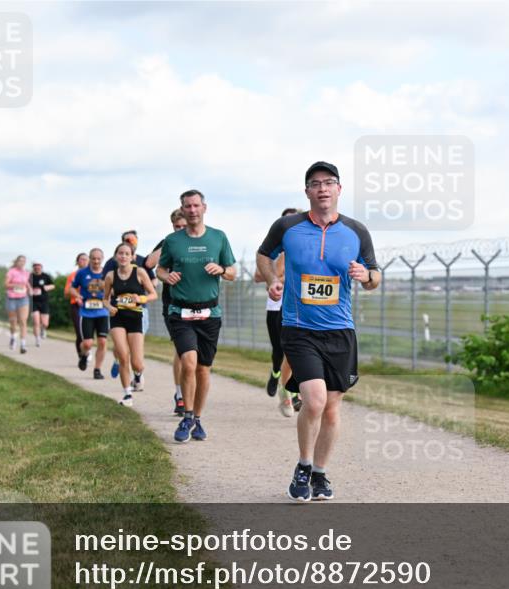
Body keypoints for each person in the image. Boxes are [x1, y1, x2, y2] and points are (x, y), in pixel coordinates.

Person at [257, 161, 381, 502]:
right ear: (307, 191)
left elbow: (375, 277)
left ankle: (321, 474)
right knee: (313, 400)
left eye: (329, 183)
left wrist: (365, 276)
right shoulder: (288, 226)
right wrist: (272, 280)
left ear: (339, 190)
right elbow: (264, 255)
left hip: (340, 330)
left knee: (331, 408)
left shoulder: (356, 231)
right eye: (315, 184)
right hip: (298, 328)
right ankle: (303, 465)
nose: (322, 188)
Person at [157, 189, 237, 442]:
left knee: (203, 369)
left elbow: (233, 272)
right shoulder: (173, 240)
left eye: (195, 206)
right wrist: (165, 277)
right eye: (187, 207)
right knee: (188, 363)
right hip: (180, 311)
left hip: (209, 313)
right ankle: (187, 415)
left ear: (204, 207)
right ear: (182, 210)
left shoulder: (218, 237)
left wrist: (222, 269)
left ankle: (198, 419)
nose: (191, 211)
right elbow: (160, 268)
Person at [255, 207, 301, 417]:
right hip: (275, 307)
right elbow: (258, 276)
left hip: (299, 307)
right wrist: (275, 277)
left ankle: (292, 393)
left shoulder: (303, 247)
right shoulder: (274, 250)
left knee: (293, 351)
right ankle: (276, 375)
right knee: (278, 350)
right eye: (285, 221)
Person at [145, 208, 189, 415]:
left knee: (196, 354)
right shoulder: (169, 243)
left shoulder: (199, 241)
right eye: (176, 227)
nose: (180, 229)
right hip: (172, 303)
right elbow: (149, 263)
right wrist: (169, 242)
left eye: (183, 226)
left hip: (198, 302)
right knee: (181, 350)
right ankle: (180, 395)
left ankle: (190, 394)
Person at [105, 242, 157, 406]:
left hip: (135, 317)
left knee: (137, 363)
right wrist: (109, 307)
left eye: (127, 254)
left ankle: (138, 374)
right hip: (117, 317)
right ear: (116, 256)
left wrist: (140, 299)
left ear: (132, 257)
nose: (123, 256)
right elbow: (104, 299)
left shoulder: (140, 272)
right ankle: (127, 394)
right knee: (122, 354)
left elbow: (153, 294)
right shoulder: (110, 276)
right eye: (120, 253)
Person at [71, 248, 110, 378]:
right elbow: (72, 288)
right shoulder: (82, 273)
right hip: (86, 313)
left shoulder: (107, 273)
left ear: (102, 259)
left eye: (99, 258)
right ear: (90, 259)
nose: (96, 261)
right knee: (87, 343)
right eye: (93, 258)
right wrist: (77, 296)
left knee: (103, 342)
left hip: (102, 312)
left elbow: (113, 289)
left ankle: (97, 370)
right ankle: (84, 355)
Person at [63, 253, 90, 362]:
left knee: (89, 332)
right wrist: (76, 296)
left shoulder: (94, 274)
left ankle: (87, 349)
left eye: (86, 259)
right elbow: (66, 293)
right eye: (81, 259)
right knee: (80, 333)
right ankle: (82, 355)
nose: (84, 261)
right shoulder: (72, 276)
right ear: (77, 261)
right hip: (76, 306)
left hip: (91, 306)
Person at [5, 255, 32, 353]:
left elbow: (26, 283)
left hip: (23, 298)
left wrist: (29, 289)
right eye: (20, 261)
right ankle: (13, 338)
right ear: (16, 262)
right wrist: (15, 285)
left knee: (23, 321)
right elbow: (6, 284)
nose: (22, 262)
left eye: (24, 261)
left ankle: (23, 345)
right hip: (11, 298)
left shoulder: (26, 273)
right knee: (13, 322)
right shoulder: (11, 271)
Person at [29, 262, 55, 345]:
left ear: (41, 267)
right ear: (33, 267)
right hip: (33, 302)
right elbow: (26, 285)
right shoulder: (30, 276)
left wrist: (46, 287)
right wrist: (30, 291)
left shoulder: (46, 276)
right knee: (36, 322)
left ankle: (43, 329)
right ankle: (37, 339)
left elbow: (53, 285)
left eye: (38, 266)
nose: (37, 267)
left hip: (44, 302)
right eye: (35, 266)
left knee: (45, 323)